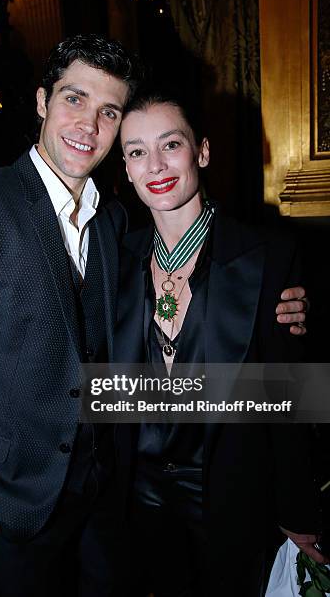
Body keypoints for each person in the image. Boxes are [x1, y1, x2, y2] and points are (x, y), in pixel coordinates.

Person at [0, 33, 307, 596]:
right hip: (31, 506)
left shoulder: (114, 231)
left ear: (200, 150)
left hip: (130, 499)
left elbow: (285, 391)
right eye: (74, 99)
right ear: (40, 102)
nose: (88, 125)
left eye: (108, 111)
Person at [115, 88, 325, 596]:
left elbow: (290, 398)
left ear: (201, 152)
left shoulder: (268, 256)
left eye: (171, 144)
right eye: (138, 151)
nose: (156, 165)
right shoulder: (114, 259)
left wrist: (297, 512)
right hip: (133, 500)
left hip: (233, 495)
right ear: (124, 168)